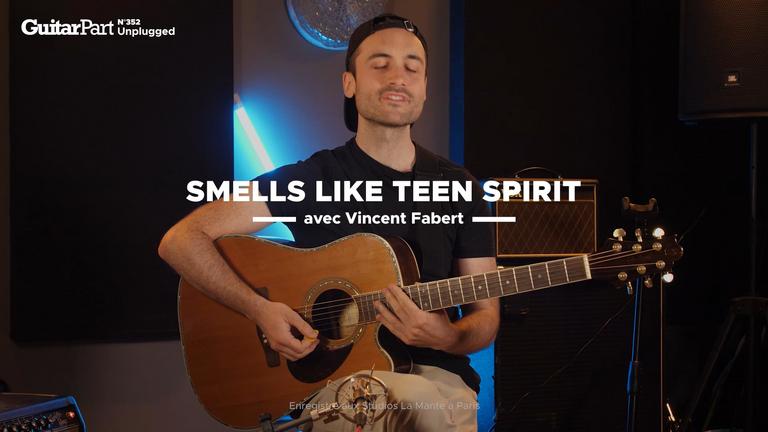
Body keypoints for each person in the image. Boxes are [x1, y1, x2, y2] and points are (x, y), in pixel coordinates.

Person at [158, 14, 499, 431]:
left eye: (412, 68)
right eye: (380, 64)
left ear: (425, 87)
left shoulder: (459, 188)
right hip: (336, 384)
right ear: (349, 83)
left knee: (420, 405)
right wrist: (259, 309)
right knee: (388, 402)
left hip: (438, 380)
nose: (398, 77)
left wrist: (447, 337)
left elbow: (486, 316)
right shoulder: (312, 179)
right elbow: (181, 240)